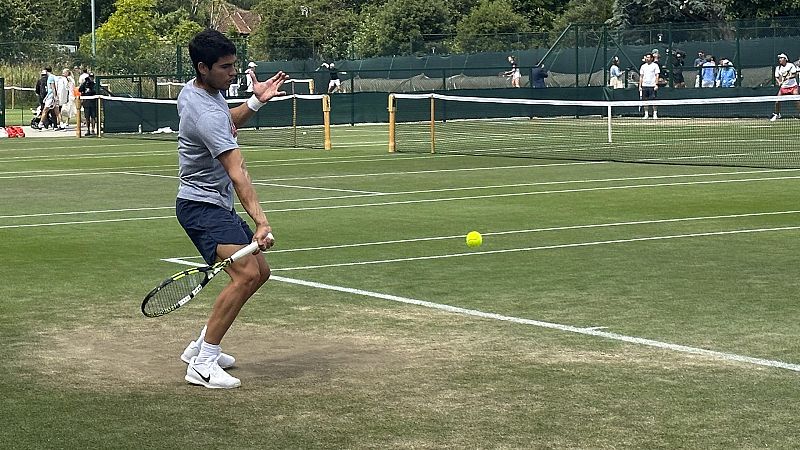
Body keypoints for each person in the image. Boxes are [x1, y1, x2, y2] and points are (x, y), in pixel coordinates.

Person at [175, 28, 285, 389]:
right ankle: (204, 363)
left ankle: (199, 348)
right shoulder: (204, 111)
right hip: (201, 207)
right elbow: (238, 171)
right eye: (225, 67)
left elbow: (228, 121)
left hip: (212, 204)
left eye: (234, 65)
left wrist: (256, 101)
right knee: (246, 275)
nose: (233, 73)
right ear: (202, 67)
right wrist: (261, 221)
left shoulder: (201, 94)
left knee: (260, 272)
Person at [771, 53, 800, 121]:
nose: (780, 59)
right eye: (779, 58)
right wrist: (779, 82)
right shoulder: (778, 68)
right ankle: (777, 114)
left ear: (785, 59)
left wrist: (788, 77)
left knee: (797, 100)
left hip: (793, 86)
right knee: (777, 101)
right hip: (783, 87)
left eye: (781, 58)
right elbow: (777, 77)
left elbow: (794, 75)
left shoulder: (790, 65)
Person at [639, 52, 660, 119]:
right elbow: (641, 76)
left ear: (651, 58)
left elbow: (657, 76)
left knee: (654, 100)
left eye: (648, 57)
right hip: (645, 86)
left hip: (652, 85)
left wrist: (656, 84)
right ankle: (646, 114)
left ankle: (655, 114)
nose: (647, 58)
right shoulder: (643, 66)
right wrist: (640, 86)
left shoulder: (655, 66)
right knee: (645, 100)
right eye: (646, 57)